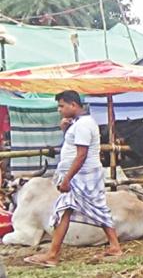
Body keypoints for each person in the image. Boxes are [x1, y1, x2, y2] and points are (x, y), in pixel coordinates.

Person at [25, 91, 122, 267]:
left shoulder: (84, 125)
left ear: (73, 105)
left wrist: (67, 178)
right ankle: (113, 246)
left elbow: (81, 155)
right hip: (83, 175)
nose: (59, 110)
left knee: (75, 209)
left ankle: (53, 254)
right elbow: (73, 147)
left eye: (62, 106)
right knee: (80, 209)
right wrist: (65, 129)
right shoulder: (80, 123)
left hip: (82, 176)